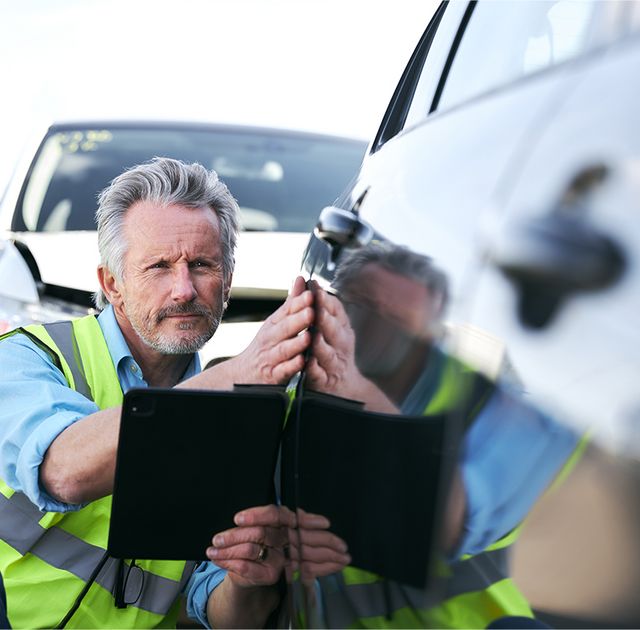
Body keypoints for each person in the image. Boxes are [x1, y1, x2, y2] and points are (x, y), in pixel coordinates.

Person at [0, 158, 349, 629]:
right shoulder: (24, 358)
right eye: (158, 267)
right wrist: (242, 372)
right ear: (112, 285)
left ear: (226, 280)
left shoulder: (247, 421)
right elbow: (63, 471)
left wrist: (249, 581)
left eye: (202, 265)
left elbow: (216, 615)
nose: (183, 290)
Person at [303, 242, 582, 628]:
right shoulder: (298, 405)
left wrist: (355, 390)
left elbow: (445, 522)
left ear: (433, 333)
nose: (372, 333)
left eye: (398, 324)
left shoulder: (504, 418)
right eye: (362, 309)